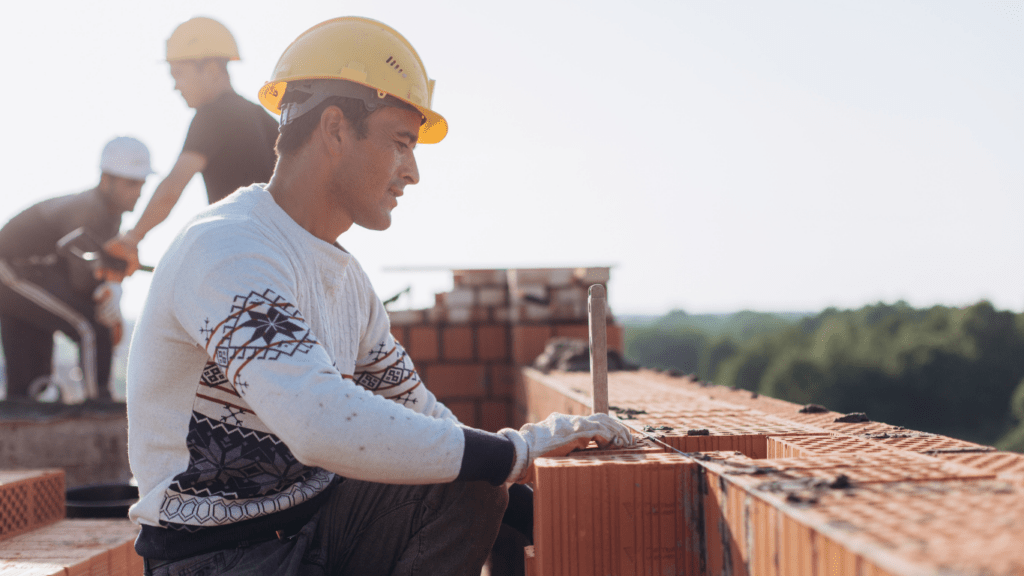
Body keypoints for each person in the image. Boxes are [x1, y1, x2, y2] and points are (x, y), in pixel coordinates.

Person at [126, 17, 634, 576]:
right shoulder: (228, 248)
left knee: (473, 486)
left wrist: (555, 508)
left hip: (317, 526)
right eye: (400, 143)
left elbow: (422, 421)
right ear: (337, 128)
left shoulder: (347, 281)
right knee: (484, 469)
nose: (411, 173)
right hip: (218, 558)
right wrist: (516, 452)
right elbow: (320, 423)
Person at [100, 17, 279, 281]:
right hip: (284, 256)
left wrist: (131, 239)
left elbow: (170, 191)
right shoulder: (263, 118)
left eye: (179, 74)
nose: (176, 86)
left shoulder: (212, 114)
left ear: (211, 69)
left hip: (245, 258)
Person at [0, 136, 153, 402]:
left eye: (141, 183)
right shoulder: (87, 210)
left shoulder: (110, 216)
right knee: (89, 326)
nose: (138, 191)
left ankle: (27, 411)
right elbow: (83, 280)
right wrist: (111, 293)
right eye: (131, 183)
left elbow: (90, 273)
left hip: (38, 274)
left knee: (28, 386)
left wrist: (111, 287)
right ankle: (100, 406)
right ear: (107, 180)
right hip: (11, 273)